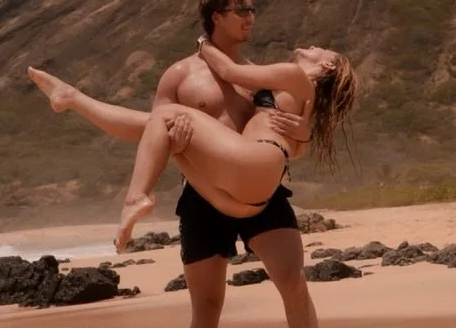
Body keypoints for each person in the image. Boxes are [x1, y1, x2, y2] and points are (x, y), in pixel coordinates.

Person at [27, 0, 335, 328]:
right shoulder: (179, 75)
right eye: (241, 9)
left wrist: (303, 133)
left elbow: (288, 144)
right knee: (206, 307)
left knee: (294, 285)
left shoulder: (256, 75)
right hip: (202, 197)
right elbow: (151, 132)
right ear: (217, 17)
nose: (251, 16)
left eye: (253, 7)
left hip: (262, 191)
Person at [113, 36, 356, 251]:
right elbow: (295, 147)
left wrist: (203, 43)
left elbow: (229, 71)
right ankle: (76, 99)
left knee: (166, 115)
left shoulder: (293, 76)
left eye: (320, 49)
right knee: (168, 134)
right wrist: (305, 137)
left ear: (327, 65)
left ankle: (136, 197)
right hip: (260, 180)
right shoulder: (302, 92)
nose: (314, 45)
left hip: (258, 160)